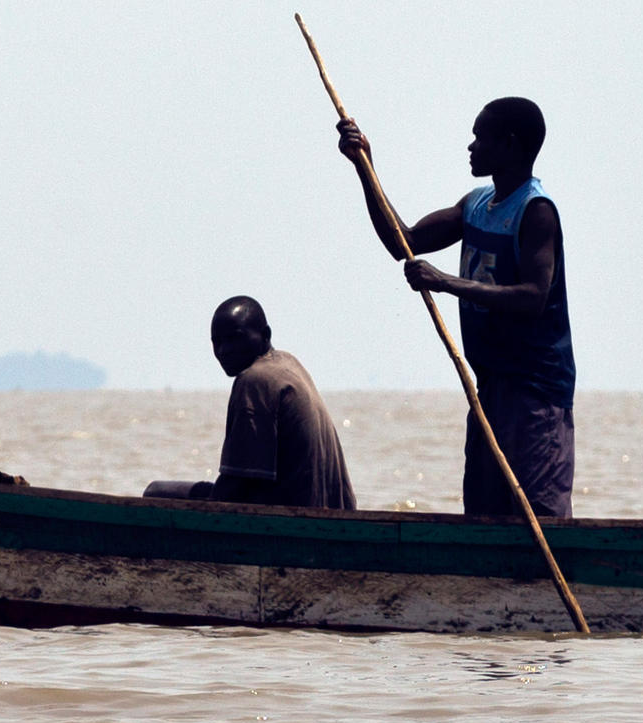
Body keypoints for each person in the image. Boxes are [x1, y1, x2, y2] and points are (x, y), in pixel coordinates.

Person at [333, 96, 574, 520]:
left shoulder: (536, 212)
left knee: (539, 518)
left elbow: (533, 297)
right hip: (490, 387)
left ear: (511, 145)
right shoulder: (476, 205)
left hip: (535, 394)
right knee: (483, 512)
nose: (471, 147)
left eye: (481, 137)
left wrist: (446, 282)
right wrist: (363, 166)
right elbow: (402, 241)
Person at [141, 297, 356, 508]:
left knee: (155, 493)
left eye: (235, 339)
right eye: (217, 342)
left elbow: (237, 485)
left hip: (292, 521)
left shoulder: (255, 379)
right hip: (329, 512)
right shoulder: (288, 365)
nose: (224, 350)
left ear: (265, 335)